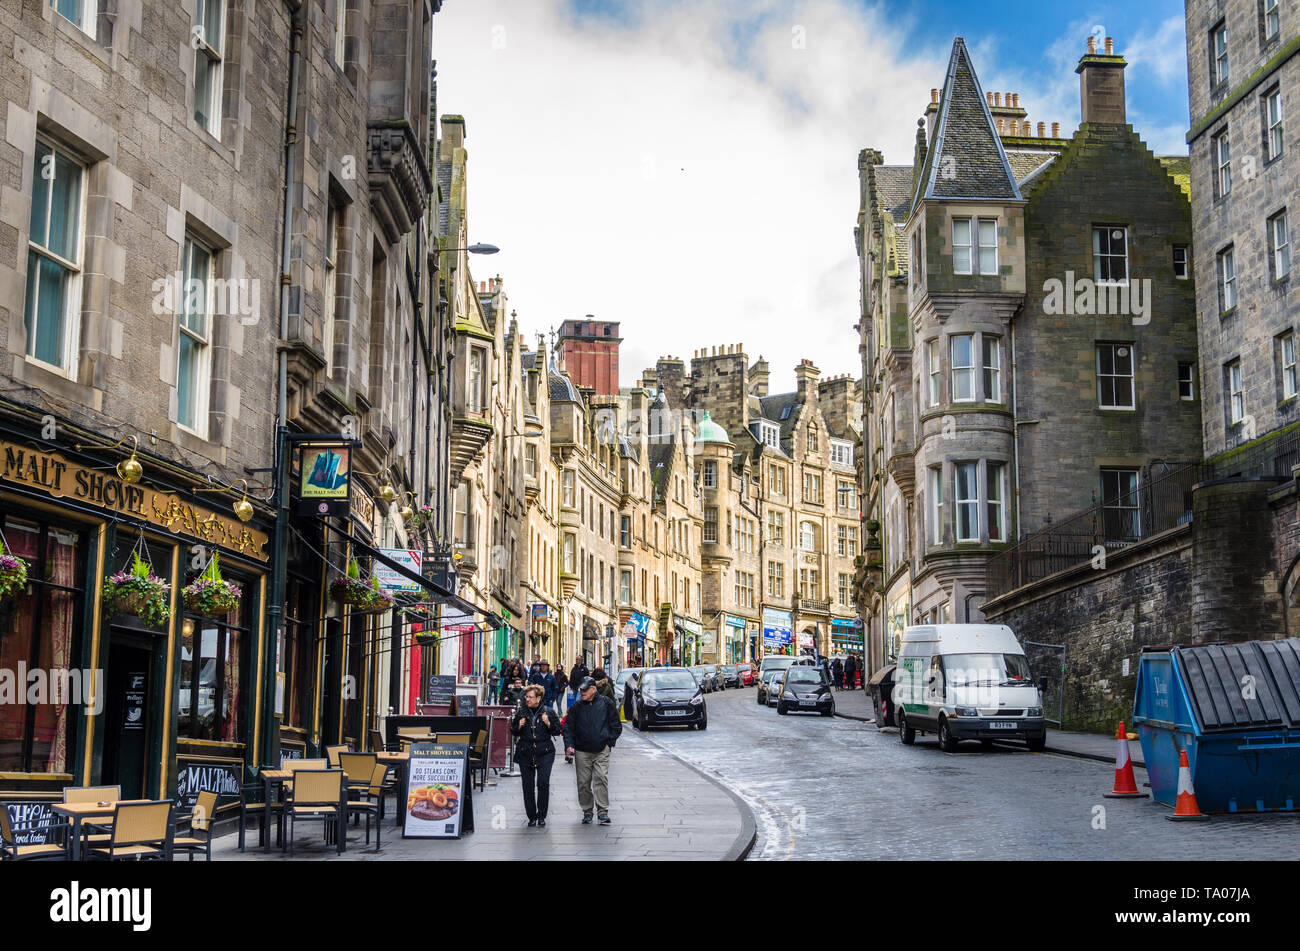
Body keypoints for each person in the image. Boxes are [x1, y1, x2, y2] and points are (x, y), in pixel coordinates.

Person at [563, 676, 621, 825]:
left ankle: (602, 811)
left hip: (602, 749)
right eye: (581, 689)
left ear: (593, 690)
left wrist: (609, 742)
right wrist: (569, 745)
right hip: (582, 751)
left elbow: (616, 724)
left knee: (601, 778)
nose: (581, 692)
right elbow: (568, 728)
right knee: (583, 782)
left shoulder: (606, 703)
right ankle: (587, 810)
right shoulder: (576, 708)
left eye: (585, 689)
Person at [510, 684, 563, 827]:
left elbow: (558, 731)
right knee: (527, 785)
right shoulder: (521, 712)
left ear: (538, 698)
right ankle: (531, 816)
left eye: (530, 697)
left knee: (543, 783)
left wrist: (548, 723)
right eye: (526, 696)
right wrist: (519, 726)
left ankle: (542, 815)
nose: (527, 699)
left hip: (545, 751)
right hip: (525, 752)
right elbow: (513, 731)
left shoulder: (549, 712)